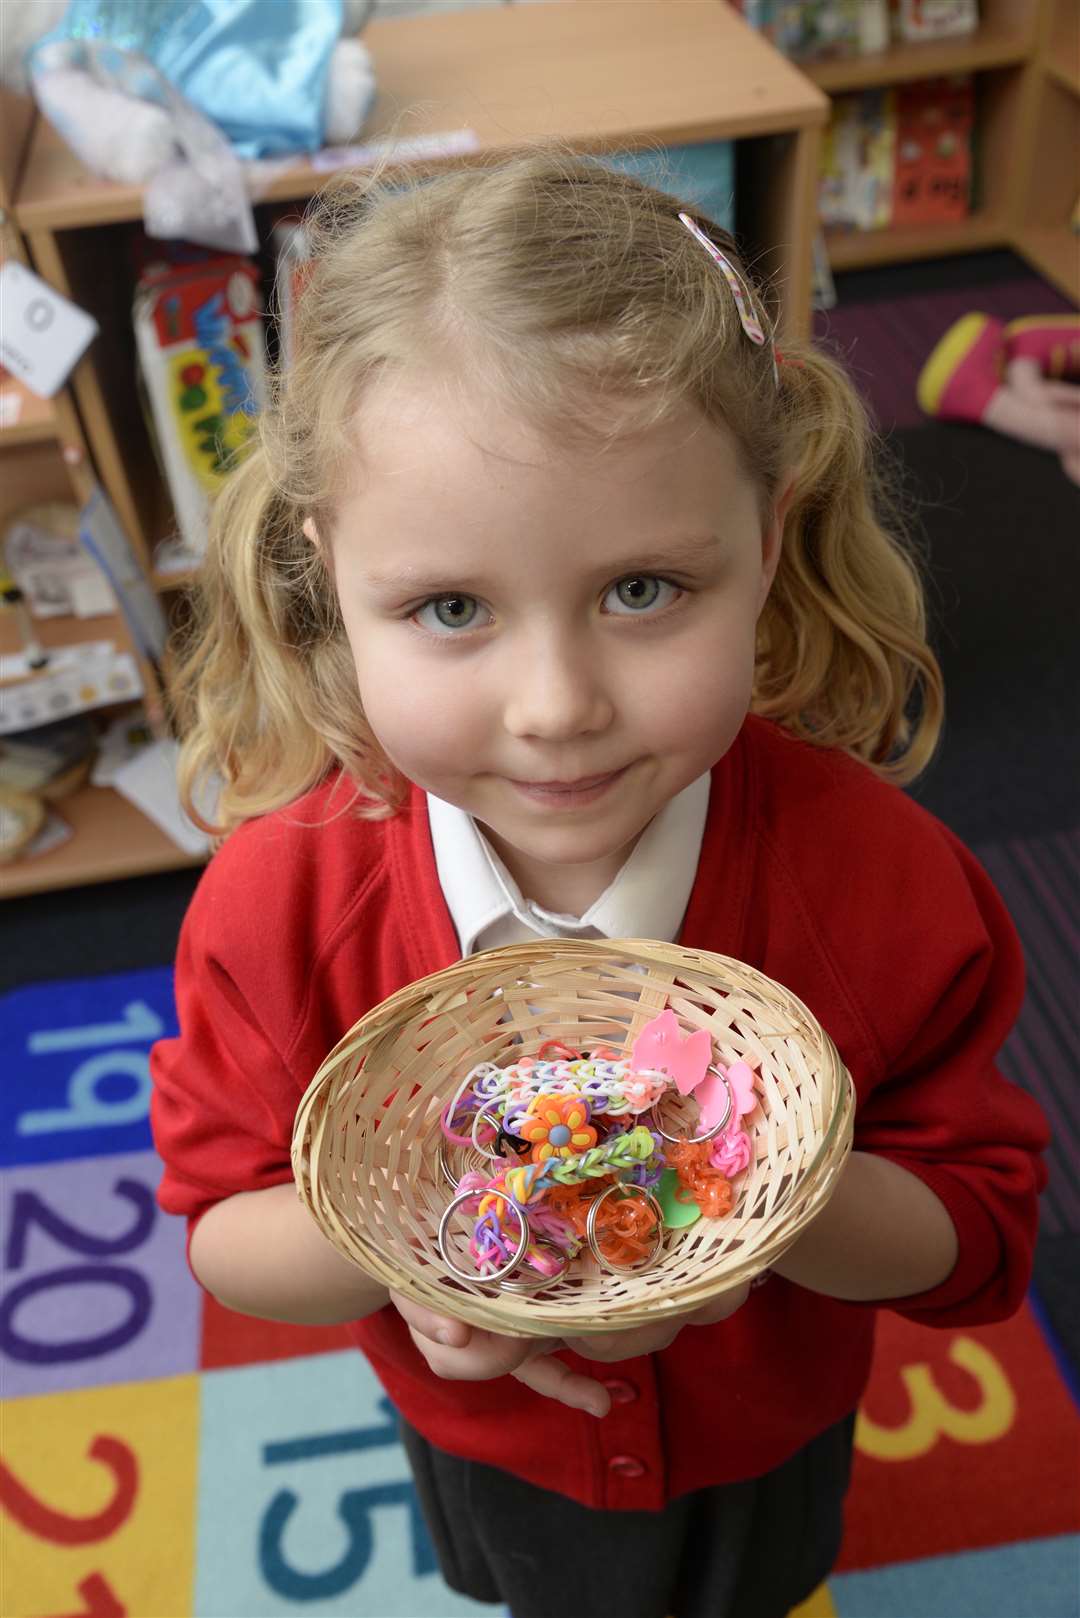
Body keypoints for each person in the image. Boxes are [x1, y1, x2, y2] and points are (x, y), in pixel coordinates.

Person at [149, 148, 1049, 1618]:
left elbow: (985, 1238)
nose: (556, 704)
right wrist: (407, 1257)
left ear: (765, 544)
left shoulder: (886, 885)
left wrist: (775, 1189)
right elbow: (222, 1228)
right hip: (494, 1439)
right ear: (329, 569)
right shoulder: (278, 906)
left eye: (643, 590)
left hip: (765, 1434)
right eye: (450, 608)